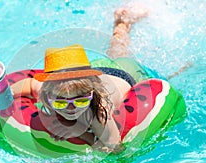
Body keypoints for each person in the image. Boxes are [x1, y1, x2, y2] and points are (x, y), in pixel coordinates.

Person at [11, 5, 149, 152]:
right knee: (113, 52)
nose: (71, 108)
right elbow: (28, 85)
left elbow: (116, 149)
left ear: (91, 95)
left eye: (81, 101)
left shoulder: (99, 111)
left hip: (122, 76)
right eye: (60, 103)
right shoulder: (49, 89)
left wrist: (82, 133)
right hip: (91, 75)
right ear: (48, 96)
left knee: (121, 55)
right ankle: (121, 22)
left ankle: (123, 23)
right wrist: (1, 93)